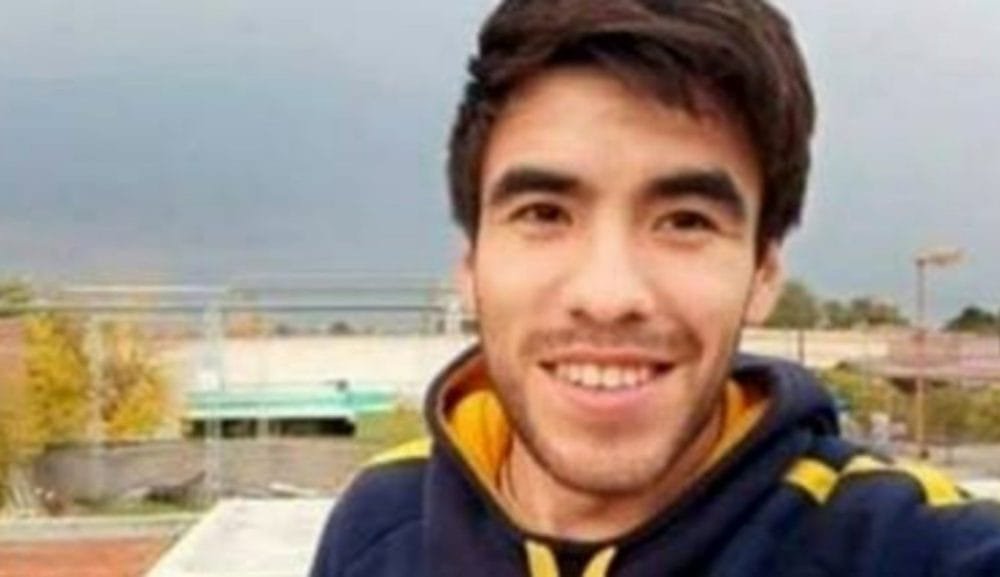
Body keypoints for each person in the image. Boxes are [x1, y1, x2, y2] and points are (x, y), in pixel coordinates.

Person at [310, 1, 1000, 575]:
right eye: (545, 213)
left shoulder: (904, 547)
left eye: (685, 221)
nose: (609, 295)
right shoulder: (382, 520)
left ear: (763, 274)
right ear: (471, 265)